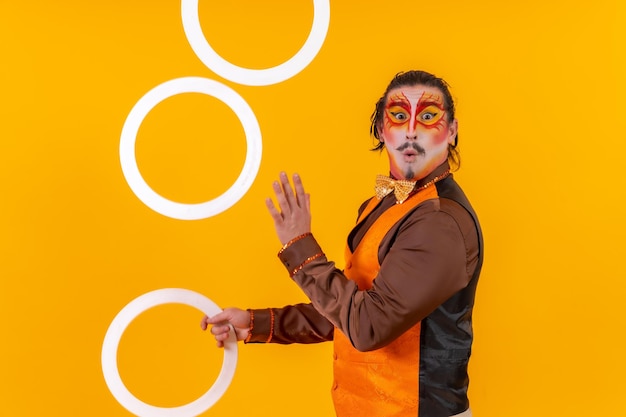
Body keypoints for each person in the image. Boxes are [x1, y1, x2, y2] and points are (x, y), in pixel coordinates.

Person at [201, 70, 484, 417]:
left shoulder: (439, 221)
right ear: (382, 130)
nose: (411, 130)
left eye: (428, 117)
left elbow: (368, 326)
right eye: (398, 116)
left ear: (451, 131)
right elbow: (352, 309)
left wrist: (299, 246)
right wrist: (258, 323)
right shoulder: (382, 205)